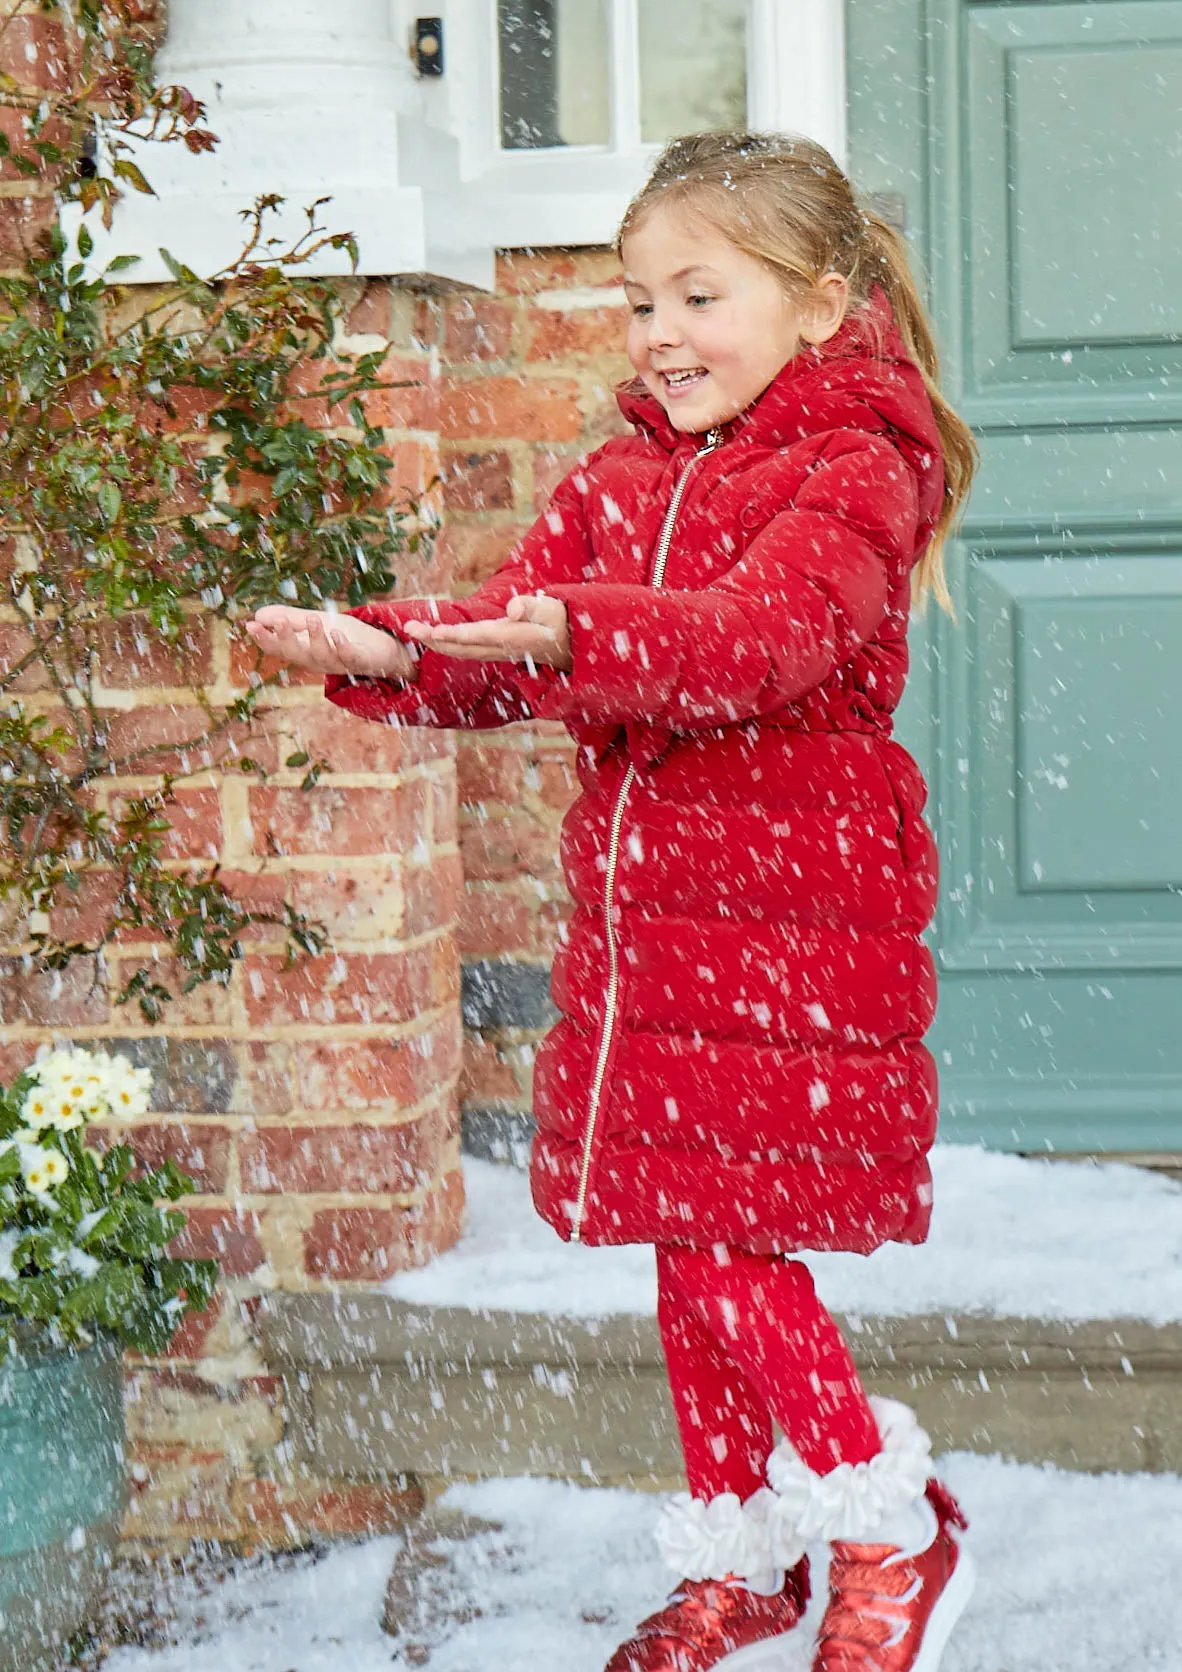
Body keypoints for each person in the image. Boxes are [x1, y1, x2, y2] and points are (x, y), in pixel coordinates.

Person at [246, 130, 979, 1672]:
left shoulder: (856, 468)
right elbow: (520, 633)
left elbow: (747, 642)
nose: (657, 336)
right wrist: (386, 648)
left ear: (820, 300)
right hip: (652, 938)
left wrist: (554, 629)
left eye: (697, 295)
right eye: (637, 302)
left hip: (785, 917)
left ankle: (888, 1529)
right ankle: (744, 1553)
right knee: (679, 1246)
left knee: (732, 1253)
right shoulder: (619, 477)